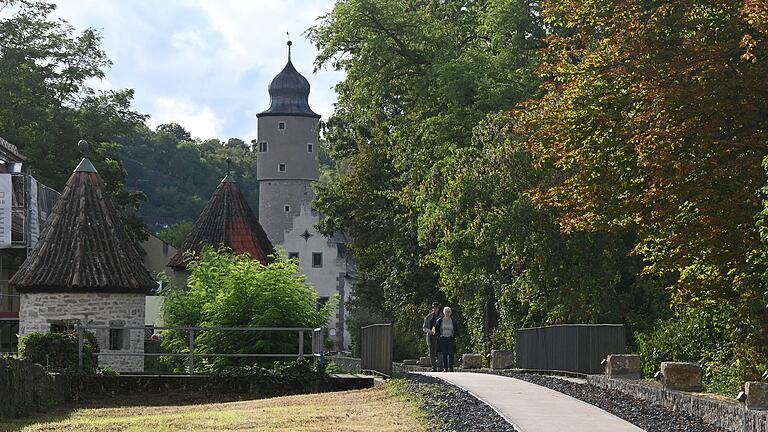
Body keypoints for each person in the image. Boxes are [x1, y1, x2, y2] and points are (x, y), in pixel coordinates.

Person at [435, 306, 458, 372]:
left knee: (451, 353)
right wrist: (439, 336)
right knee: (444, 353)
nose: (447, 313)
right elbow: (436, 328)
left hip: (451, 338)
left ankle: (451, 368)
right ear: (444, 313)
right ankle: (445, 368)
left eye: (448, 312)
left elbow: (456, 329)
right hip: (443, 338)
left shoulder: (453, 321)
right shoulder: (440, 320)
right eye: (446, 312)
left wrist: (454, 336)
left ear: (450, 313)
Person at [422, 302, 442, 372]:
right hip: (431, 337)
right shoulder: (428, 317)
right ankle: (434, 367)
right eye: (434, 308)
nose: (435, 309)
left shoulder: (442, 316)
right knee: (431, 353)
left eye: (436, 307)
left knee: (440, 352)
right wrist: (429, 331)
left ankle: (440, 367)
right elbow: (424, 328)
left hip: (439, 336)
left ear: (438, 308)